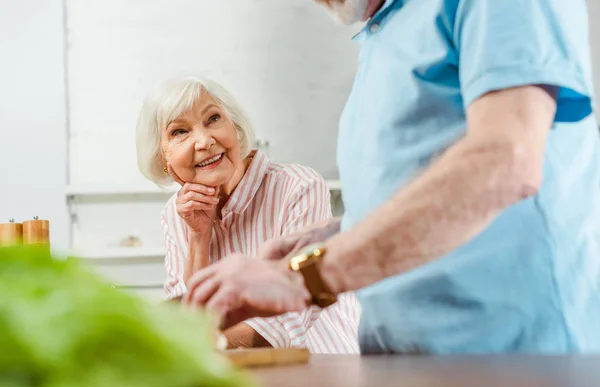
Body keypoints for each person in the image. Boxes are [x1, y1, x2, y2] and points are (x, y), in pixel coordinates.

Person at [182, 0, 600, 354]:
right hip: (412, 363)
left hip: (517, 359)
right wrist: (333, 236)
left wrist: (300, 278)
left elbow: (506, 160)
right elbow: (428, 189)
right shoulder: (385, 29)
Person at [135, 76, 360, 353]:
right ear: (163, 160)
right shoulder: (175, 213)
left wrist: (195, 344)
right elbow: (188, 316)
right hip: (238, 377)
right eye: (180, 132)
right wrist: (198, 236)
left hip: (324, 369)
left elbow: (290, 316)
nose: (204, 141)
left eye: (213, 119)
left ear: (236, 128)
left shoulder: (297, 186)